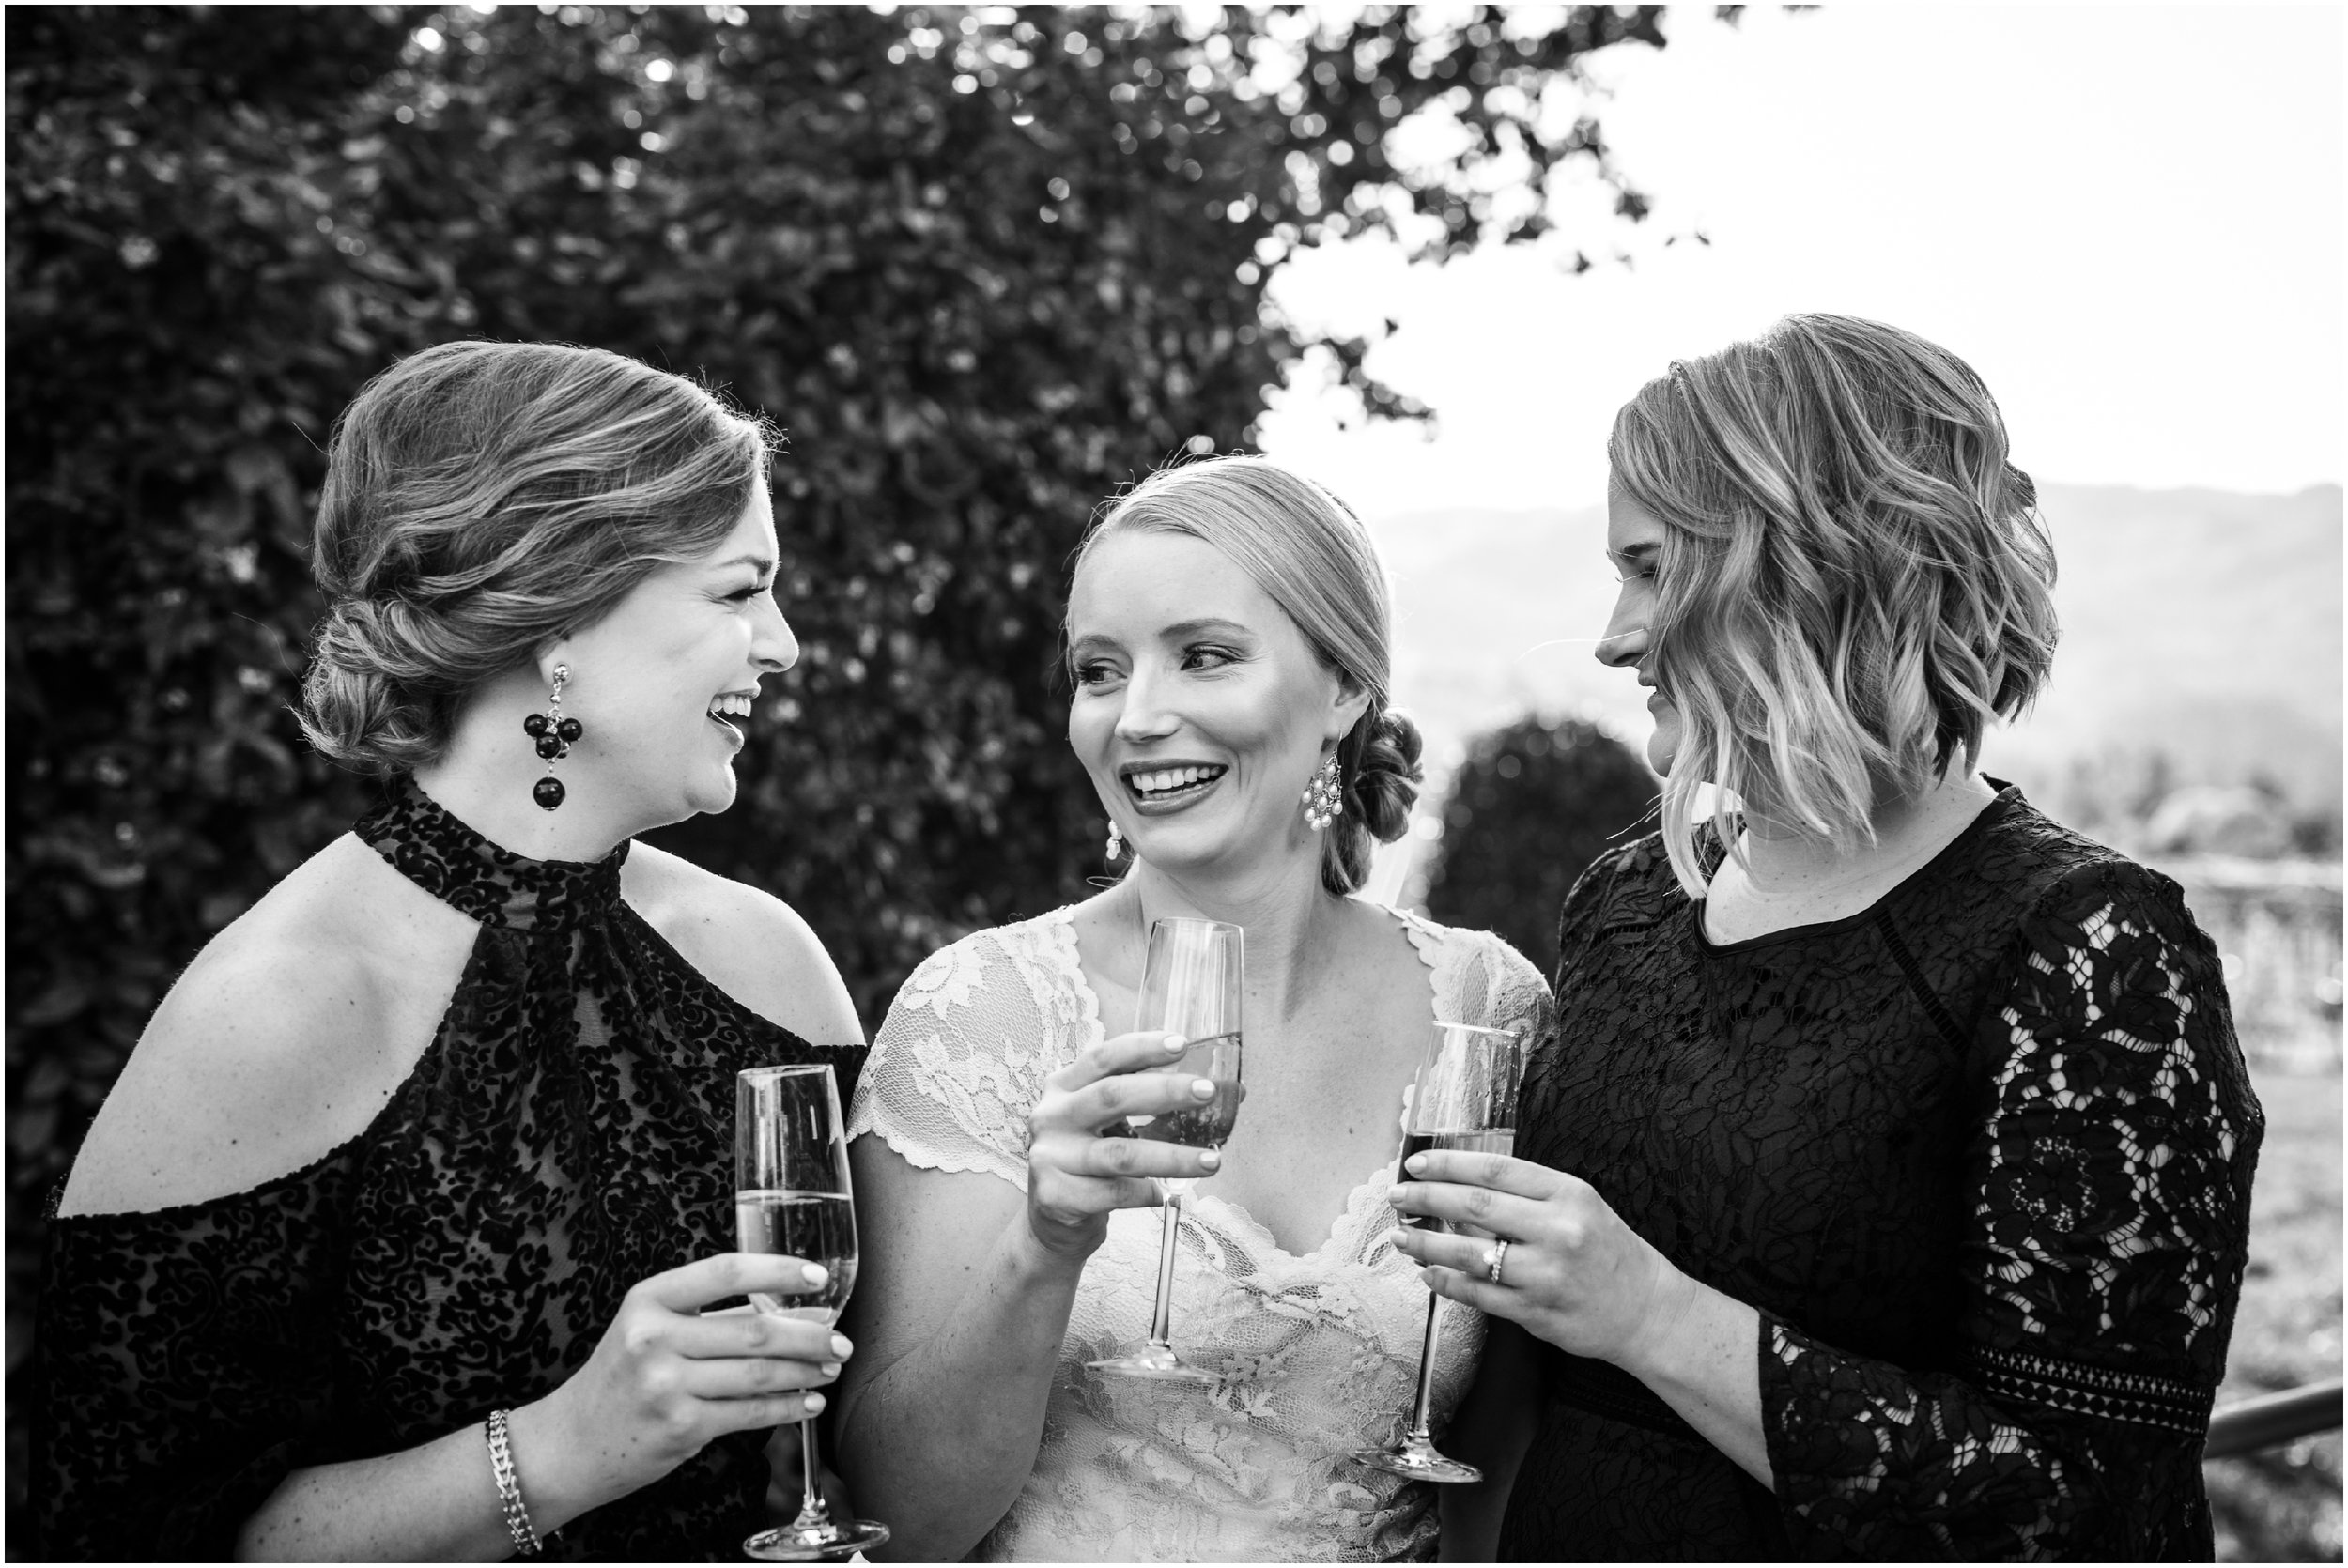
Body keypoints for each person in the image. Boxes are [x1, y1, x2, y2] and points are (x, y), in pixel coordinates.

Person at [1388, 314, 2264, 1559]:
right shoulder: (1631, 896)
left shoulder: (2090, 953)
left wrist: (1645, 1311)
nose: (1613, 632)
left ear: (1805, 573)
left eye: (1652, 568)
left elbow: (2082, 1506)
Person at [31, 340, 866, 1560]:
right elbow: (121, 1537)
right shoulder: (276, 1008)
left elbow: (857, 1456)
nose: (783, 645)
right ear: (565, 607)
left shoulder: (771, 964)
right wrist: (564, 1448)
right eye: (742, 590)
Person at [831, 455, 1552, 1560]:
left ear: (1345, 688)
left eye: (1204, 655)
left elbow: (1502, 1468)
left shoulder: (1489, 1007)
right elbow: (902, 1520)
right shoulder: (984, 1014)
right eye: (1099, 670)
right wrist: (1045, 1240)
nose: (1138, 717)